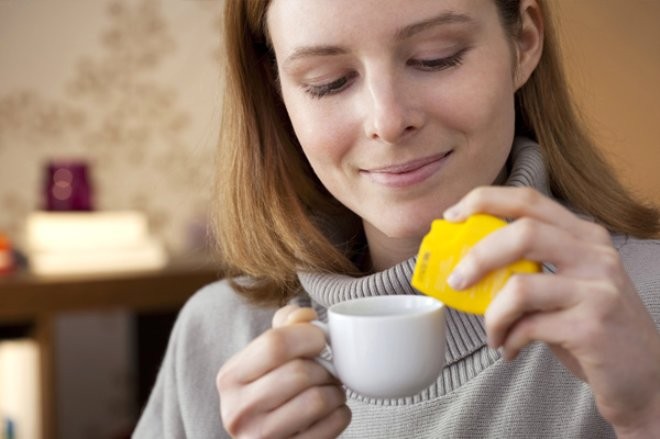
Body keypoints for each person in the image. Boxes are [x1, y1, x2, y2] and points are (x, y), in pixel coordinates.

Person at [133, 0, 660, 437]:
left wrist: (648, 413)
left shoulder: (644, 303)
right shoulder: (215, 335)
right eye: (329, 81)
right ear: (279, 94)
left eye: (437, 57)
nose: (387, 121)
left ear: (522, 43)